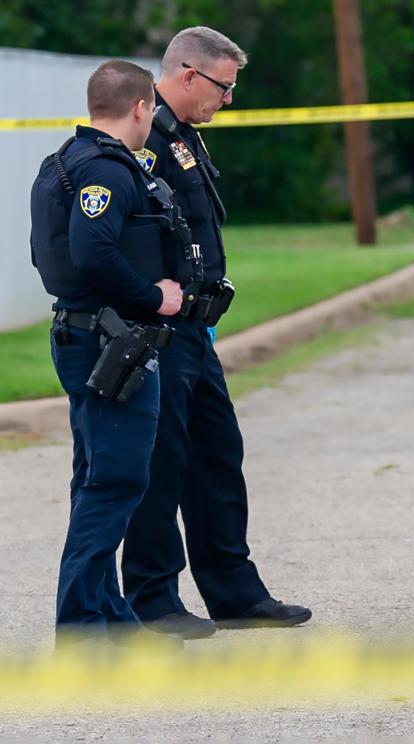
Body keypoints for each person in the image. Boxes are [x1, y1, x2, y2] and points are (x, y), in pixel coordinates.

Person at [121, 26, 311, 638]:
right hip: (159, 330)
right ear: (186, 75)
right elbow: (124, 235)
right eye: (223, 86)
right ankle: (153, 600)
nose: (228, 99)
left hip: (196, 333)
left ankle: (234, 594)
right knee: (163, 463)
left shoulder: (183, 138)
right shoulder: (142, 135)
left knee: (219, 457)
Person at [29, 60, 185, 645]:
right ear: (142, 107)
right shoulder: (107, 172)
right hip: (110, 341)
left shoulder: (60, 164)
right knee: (115, 482)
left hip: (82, 333)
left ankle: (106, 612)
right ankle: (82, 627)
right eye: (151, 110)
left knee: (96, 475)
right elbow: (92, 251)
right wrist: (155, 297)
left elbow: (48, 255)